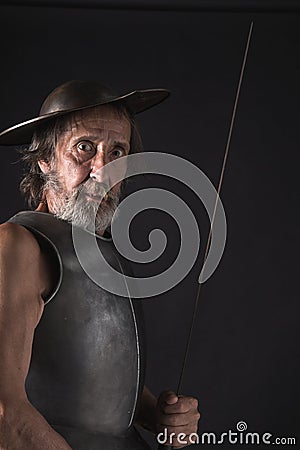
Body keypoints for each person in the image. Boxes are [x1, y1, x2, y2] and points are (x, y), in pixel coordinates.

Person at [0, 80, 200, 449]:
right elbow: (4, 412)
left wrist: (158, 414)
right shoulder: (17, 246)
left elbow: (89, 390)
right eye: (84, 147)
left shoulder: (105, 254)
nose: (101, 170)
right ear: (45, 159)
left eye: (117, 152)